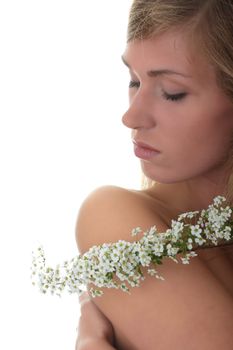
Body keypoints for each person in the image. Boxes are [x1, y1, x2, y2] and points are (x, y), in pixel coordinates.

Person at [75, 0, 233, 349]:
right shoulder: (117, 221)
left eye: (172, 93)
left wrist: (90, 344)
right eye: (134, 80)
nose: (132, 117)